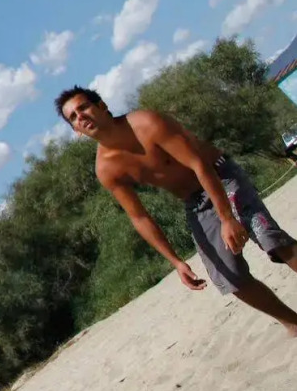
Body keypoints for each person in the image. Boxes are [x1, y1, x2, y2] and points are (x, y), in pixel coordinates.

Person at [58, 85, 297, 333]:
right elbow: (140, 217)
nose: (81, 117)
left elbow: (198, 164)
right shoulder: (106, 169)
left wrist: (227, 218)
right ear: (76, 131)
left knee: (270, 239)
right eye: (73, 117)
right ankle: (293, 323)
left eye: (83, 107)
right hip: (195, 203)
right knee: (229, 277)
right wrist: (175, 261)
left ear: (101, 106)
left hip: (219, 174)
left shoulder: (147, 123)